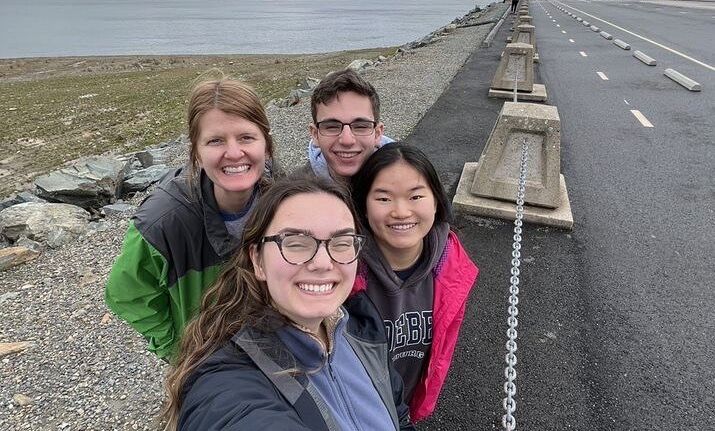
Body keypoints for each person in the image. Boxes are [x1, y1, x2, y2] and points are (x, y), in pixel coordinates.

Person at [161, 176, 414, 431]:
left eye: (342, 242)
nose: (323, 263)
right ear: (258, 261)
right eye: (296, 243)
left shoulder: (362, 328)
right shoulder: (229, 380)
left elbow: (398, 415)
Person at [105, 76, 275, 360]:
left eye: (246, 137)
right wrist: (178, 351)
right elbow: (126, 293)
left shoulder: (286, 200)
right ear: (196, 151)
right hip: (209, 364)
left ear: (266, 144)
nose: (234, 153)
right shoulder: (161, 223)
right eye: (215, 141)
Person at [350, 143, 479, 421]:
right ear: (363, 205)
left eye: (416, 196)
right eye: (383, 199)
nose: (401, 211)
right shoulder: (344, 270)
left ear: (436, 201)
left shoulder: (451, 265)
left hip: (408, 407)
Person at [306, 68, 394, 183]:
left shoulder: (410, 181)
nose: (347, 141)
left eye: (360, 126)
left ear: (377, 134)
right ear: (315, 134)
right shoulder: (294, 194)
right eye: (332, 126)